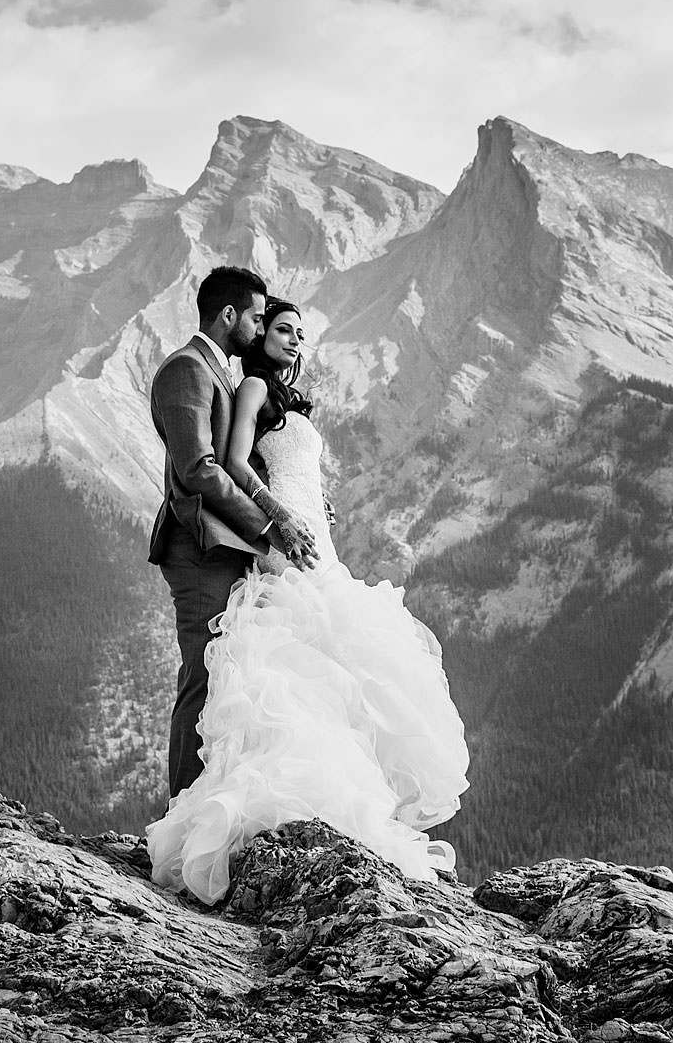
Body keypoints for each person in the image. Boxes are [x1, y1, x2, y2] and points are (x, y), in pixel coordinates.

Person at [148, 295, 469, 904]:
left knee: (339, 667)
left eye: (301, 332)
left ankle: (354, 809)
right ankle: (207, 813)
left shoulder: (273, 394)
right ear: (249, 326)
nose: (295, 340)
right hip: (270, 542)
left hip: (307, 537)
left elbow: (275, 467)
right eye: (281, 328)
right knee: (265, 672)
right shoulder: (235, 385)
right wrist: (276, 519)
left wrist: (309, 510)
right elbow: (226, 465)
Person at [148, 266, 322, 801]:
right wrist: (272, 522)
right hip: (198, 548)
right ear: (229, 315)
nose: (260, 324)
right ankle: (179, 819)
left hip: (226, 546)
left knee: (227, 681)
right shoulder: (186, 370)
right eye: (254, 315)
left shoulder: (216, 371)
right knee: (202, 680)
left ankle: (211, 809)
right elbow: (198, 468)